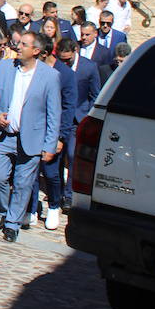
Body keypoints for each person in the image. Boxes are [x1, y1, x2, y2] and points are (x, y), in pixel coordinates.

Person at [0, 31, 62, 242]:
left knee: (23, 183)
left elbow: (54, 113)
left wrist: (49, 144)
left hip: (32, 138)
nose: (17, 47)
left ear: (36, 51)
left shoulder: (49, 76)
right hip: (5, 136)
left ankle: (12, 223)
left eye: (23, 44)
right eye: (18, 43)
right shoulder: (4, 68)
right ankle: (4, 210)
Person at [31, 34, 77, 231]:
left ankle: (54, 205)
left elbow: (68, 107)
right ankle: (31, 208)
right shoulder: (35, 70)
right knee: (31, 172)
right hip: (35, 128)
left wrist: (60, 137)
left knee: (51, 172)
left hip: (54, 130)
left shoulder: (65, 74)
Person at [56, 37, 101, 215]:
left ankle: (68, 194)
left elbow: (95, 94)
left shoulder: (89, 67)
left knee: (73, 155)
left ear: (75, 51)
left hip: (77, 120)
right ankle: (57, 190)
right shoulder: (57, 67)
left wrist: (87, 115)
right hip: (59, 117)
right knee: (56, 157)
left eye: (68, 59)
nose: (65, 63)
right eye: (62, 59)